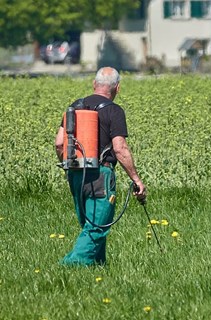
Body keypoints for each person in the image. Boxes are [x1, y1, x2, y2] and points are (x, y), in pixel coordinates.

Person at [54, 67, 146, 266]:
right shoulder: (114, 111)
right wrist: (136, 179)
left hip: (76, 173)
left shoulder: (75, 107)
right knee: (97, 227)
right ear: (117, 88)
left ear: (94, 84)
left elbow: (60, 143)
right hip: (100, 176)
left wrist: (69, 166)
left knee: (90, 226)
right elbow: (120, 148)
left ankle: (97, 267)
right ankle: (68, 267)